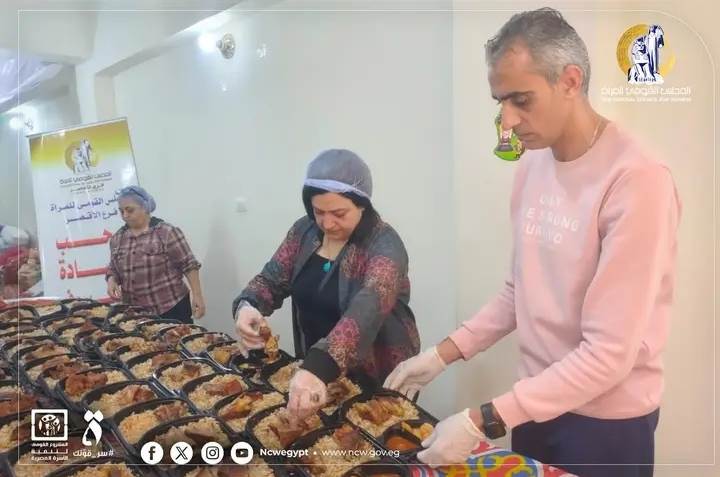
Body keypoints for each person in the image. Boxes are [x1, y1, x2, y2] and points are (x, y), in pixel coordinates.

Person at [384, 8, 680, 477]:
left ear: (570, 81)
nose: (507, 120)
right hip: (535, 404)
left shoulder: (636, 179)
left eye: (521, 100)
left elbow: (608, 354)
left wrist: (482, 418)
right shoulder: (533, 164)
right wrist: (442, 354)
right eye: (500, 101)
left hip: (606, 422)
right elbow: (518, 291)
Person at [232, 149, 420, 417]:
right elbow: (272, 278)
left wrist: (319, 366)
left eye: (339, 213)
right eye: (318, 211)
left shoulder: (385, 246)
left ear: (363, 205)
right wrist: (248, 305)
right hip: (316, 367)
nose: (327, 223)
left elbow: (367, 310)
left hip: (374, 369)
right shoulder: (305, 231)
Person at [106, 185, 205, 322]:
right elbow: (113, 268)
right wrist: (111, 280)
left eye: (130, 210)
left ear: (145, 207)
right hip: (136, 314)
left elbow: (189, 264)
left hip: (171, 308)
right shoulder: (117, 239)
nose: (125, 215)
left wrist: (197, 295)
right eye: (121, 211)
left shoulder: (166, 232)